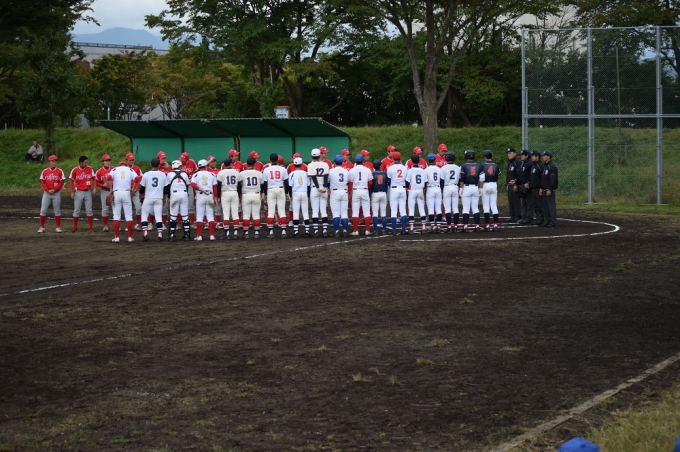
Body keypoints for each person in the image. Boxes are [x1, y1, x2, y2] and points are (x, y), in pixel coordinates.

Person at [139, 157, 167, 241]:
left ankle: (145, 233)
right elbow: (166, 188)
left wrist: (140, 195)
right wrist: (164, 198)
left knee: (144, 215)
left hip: (148, 198)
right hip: (158, 198)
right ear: (159, 165)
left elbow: (142, 188)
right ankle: (160, 235)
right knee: (158, 216)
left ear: (150, 165)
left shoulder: (146, 174)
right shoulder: (163, 174)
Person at [190, 159, 219, 240]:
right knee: (210, 216)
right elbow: (215, 187)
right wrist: (215, 198)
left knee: (199, 217)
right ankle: (212, 236)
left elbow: (193, 185)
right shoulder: (212, 174)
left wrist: (201, 189)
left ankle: (199, 236)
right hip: (209, 195)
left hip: (200, 196)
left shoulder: (195, 175)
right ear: (206, 166)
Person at [108, 161, 136, 243]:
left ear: (119, 165)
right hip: (126, 192)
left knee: (116, 216)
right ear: (126, 165)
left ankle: (117, 237)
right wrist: (133, 188)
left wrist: (111, 189)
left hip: (117, 192)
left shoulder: (114, 169)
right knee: (129, 216)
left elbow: (109, 177)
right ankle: (130, 237)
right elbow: (137, 178)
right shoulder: (130, 169)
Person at [262, 153, 289, 238]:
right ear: (277, 160)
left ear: (270, 160)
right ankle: (284, 231)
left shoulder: (266, 169)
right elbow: (286, 182)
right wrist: (286, 192)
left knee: (271, 211)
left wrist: (266, 193)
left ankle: (270, 232)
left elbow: (265, 183)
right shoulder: (283, 169)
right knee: (282, 211)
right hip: (280, 189)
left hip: (270, 190)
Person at [165, 160, 192, 241]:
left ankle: (172, 235)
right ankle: (187, 235)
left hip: (174, 194)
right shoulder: (184, 174)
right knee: (185, 216)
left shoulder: (169, 174)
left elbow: (167, 187)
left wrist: (168, 196)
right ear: (179, 166)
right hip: (184, 194)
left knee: (173, 216)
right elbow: (187, 186)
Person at [238, 157, 264, 238]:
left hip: (246, 194)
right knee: (256, 215)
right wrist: (261, 193)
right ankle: (257, 233)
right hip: (256, 194)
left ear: (247, 164)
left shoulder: (242, 173)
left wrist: (240, 195)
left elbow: (239, 185)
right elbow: (262, 185)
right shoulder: (259, 173)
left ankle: (246, 233)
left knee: (246, 215)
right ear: (255, 164)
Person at [38, 155, 65, 233]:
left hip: (56, 193)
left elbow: (61, 182)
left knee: (57, 210)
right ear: (49, 162)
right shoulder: (45, 171)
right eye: (52, 161)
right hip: (47, 193)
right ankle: (42, 227)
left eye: (55, 161)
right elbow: (43, 182)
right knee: (43, 210)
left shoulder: (60, 171)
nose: (54, 163)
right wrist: (47, 190)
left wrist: (55, 189)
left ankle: (58, 227)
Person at [458, 150, 484, 232]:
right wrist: (480, 188)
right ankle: (477, 226)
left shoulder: (463, 166)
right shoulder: (479, 166)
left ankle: (465, 226)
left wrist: (461, 188)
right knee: (475, 208)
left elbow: (462, 179)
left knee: (466, 208)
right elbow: (482, 178)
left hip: (466, 187)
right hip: (475, 187)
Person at [69, 156, 96, 232]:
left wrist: (94, 188)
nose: (87, 164)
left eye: (87, 162)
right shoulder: (75, 170)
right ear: (81, 163)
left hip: (88, 191)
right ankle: (75, 227)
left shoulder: (90, 169)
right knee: (77, 210)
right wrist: (71, 192)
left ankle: (91, 227)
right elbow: (71, 181)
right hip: (79, 192)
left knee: (89, 210)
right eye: (85, 162)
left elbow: (94, 179)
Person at [348, 154, 373, 236]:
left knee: (355, 211)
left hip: (355, 191)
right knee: (367, 211)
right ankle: (367, 230)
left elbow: (350, 184)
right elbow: (370, 183)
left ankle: (355, 231)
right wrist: (366, 189)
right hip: (364, 190)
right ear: (363, 161)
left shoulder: (352, 170)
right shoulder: (367, 170)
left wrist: (350, 193)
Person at [216, 158, 241, 240]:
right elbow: (239, 186)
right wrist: (239, 195)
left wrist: (218, 196)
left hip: (225, 193)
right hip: (234, 192)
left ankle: (227, 234)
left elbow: (219, 186)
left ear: (224, 165)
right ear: (231, 164)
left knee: (226, 214)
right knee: (235, 214)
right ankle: (235, 233)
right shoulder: (236, 172)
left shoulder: (221, 173)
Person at [307, 148, 330, 237]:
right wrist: (325, 187)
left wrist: (318, 188)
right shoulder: (325, 164)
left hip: (314, 188)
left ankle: (316, 230)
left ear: (311, 156)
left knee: (315, 211)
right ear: (319, 155)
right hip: (323, 187)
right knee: (323, 210)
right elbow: (326, 177)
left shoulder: (310, 165)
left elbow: (313, 177)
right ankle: (325, 230)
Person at [328, 155, 350, 237]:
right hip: (344, 191)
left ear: (334, 162)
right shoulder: (346, 171)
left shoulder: (331, 171)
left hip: (335, 192)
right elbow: (348, 182)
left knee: (336, 213)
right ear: (342, 162)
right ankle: (345, 231)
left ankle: (336, 231)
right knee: (344, 213)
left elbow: (328, 181)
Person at [386, 151, 408, 235]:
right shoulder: (404, 168)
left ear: (393, 158)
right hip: (402, 188)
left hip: (394, 189)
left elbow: (388, 181)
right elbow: (407, 180)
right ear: (400, 158)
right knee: (403, 210)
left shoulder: (390, 168)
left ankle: (394, 230)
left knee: (394, 210)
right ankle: (403, 229)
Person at [288, 157, 311, 237]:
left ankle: (296, 232)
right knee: (305, 212)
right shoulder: (306, 173)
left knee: (296, 212)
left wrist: (290, 195)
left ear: (294, 164)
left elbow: (290, 186)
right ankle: (307, 231)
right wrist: (308, 196)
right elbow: (308, 186)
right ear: (301, 164)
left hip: (295, 193)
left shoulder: (291, 174)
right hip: (304, 193)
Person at [405, 155, 426, 233]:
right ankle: (423, 227)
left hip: (412, 191)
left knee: (411, 209)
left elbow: (407, 183)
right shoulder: (423, 171)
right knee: (422, 209)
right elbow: (425, 183)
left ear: (411, 161)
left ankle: (411, 228)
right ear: (419, 161)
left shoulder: (410, 171)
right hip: (420, 190)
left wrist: (407, 189)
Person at [440, 152, 460, 232]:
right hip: (455, 187)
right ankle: (455, 226)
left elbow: (441, 181)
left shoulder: (443, 168)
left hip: (447, 187)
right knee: (455, 208)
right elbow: (460, 180)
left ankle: (449, 227)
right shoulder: (458, 168)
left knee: (447, 209)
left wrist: (441, 191)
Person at [480, 150, 501, 231]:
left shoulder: (482, 165)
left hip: (486, 184)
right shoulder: (496, 165)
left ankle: (487, 225)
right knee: (494, 206)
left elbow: (481, 177)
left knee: (486, 206)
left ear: (485, 157)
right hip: (494, 184)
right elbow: (498, 174)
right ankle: (495, 225)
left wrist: (480, 187)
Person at [124, 153, 143, 230]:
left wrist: (136, 189)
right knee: (127, 208)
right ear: (126, 160)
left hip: (135, 191)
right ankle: (127, 225)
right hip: (127, 191)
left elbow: (140, 180)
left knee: (139, 208)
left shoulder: (137, 168)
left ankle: (137, 224)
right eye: (130, 160)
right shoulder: (123, 169)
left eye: (132, 160)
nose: (131, 161)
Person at [94, 154, 113, 232]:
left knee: (116, 208)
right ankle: (105, 226)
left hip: (113, 191)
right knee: (105, 208)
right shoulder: (99, 171)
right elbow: (96, 182)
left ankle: (117, 225)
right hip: (104, 191)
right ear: (103, 162)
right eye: (106, 160)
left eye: (109, 160)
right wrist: (102, 185)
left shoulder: (114, 169)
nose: (108, 162)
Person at [179, 151, 198, 227]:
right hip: (181, 185)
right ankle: (179, 224)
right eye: (181, 159)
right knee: (179, 204)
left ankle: (192, 223)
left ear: (187, 159)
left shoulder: (192, 162)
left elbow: (196, 171)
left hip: (189, 184)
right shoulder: (178, 163)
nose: (181, 161)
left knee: (191, 204)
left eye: (183, 159)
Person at [424, 153, 442, 233]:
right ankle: (438, 226)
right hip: (438, 188)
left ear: (428, 160)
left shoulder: (426, 170)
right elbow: (441, 181)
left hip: (430, 189)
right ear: (435, 159)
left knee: (431, 209)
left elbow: (425, 182)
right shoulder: (439, 169)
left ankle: (433, 226)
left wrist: (424, 192)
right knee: (438, 209)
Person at [539, 151, 558, 227]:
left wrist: (550, 188)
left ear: (548, 157)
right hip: (544, 189)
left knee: (550, 206)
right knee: (545, 206)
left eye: (544, 156)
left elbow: (553, 179)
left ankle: (552, 221)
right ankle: (547, 220)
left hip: (549, 190)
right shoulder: (545, 167)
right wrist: (541, 188)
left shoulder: (551, 167)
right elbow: (543, 179)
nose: (543, 157)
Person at [370, 159, 388, 235]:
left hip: (375, 194)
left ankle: (375, 231)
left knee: (375, 214)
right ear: (380, 165)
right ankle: (384, 230)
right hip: (383, 193)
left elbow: (371, 185)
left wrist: (370, 194)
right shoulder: (384, 173)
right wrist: (385, 193)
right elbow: (386, 184)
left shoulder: (372, 174)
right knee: (383, 214)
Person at [528, 150, 544, 225]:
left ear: (537, 156)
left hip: (538, 188)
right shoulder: (533, 165)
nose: (532, 157)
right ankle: (538, 217)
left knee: (539, 204)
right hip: (533, 188)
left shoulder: (540, 166)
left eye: (533, 156)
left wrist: (541, 187)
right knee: (535, 204)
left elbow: (543, 177)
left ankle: (541, 218)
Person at [506, 147, 521, 223]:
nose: (509, 155)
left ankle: (518, 216)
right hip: (510, 185)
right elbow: (508, 175)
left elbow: (519, 174)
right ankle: (512, 216)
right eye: (508, 153)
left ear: (514, 154)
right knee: (511, 200)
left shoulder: (517, 162)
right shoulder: (510, 163)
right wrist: (507, 184)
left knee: (515, 200)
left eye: (510, 153)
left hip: (515, 185)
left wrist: (516, 183)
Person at [517, 149, 533, 224]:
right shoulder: (522, 163)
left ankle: (529, 217)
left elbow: (531, 175)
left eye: (523, 155)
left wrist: (529, 182)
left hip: (527, 185)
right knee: (523, 201)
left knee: (528, 201)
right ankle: (524, 216)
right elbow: (520, 174)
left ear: (527, 155)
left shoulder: (530, 163)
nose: (521, 156)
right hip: (522, 184)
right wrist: (517, 181)